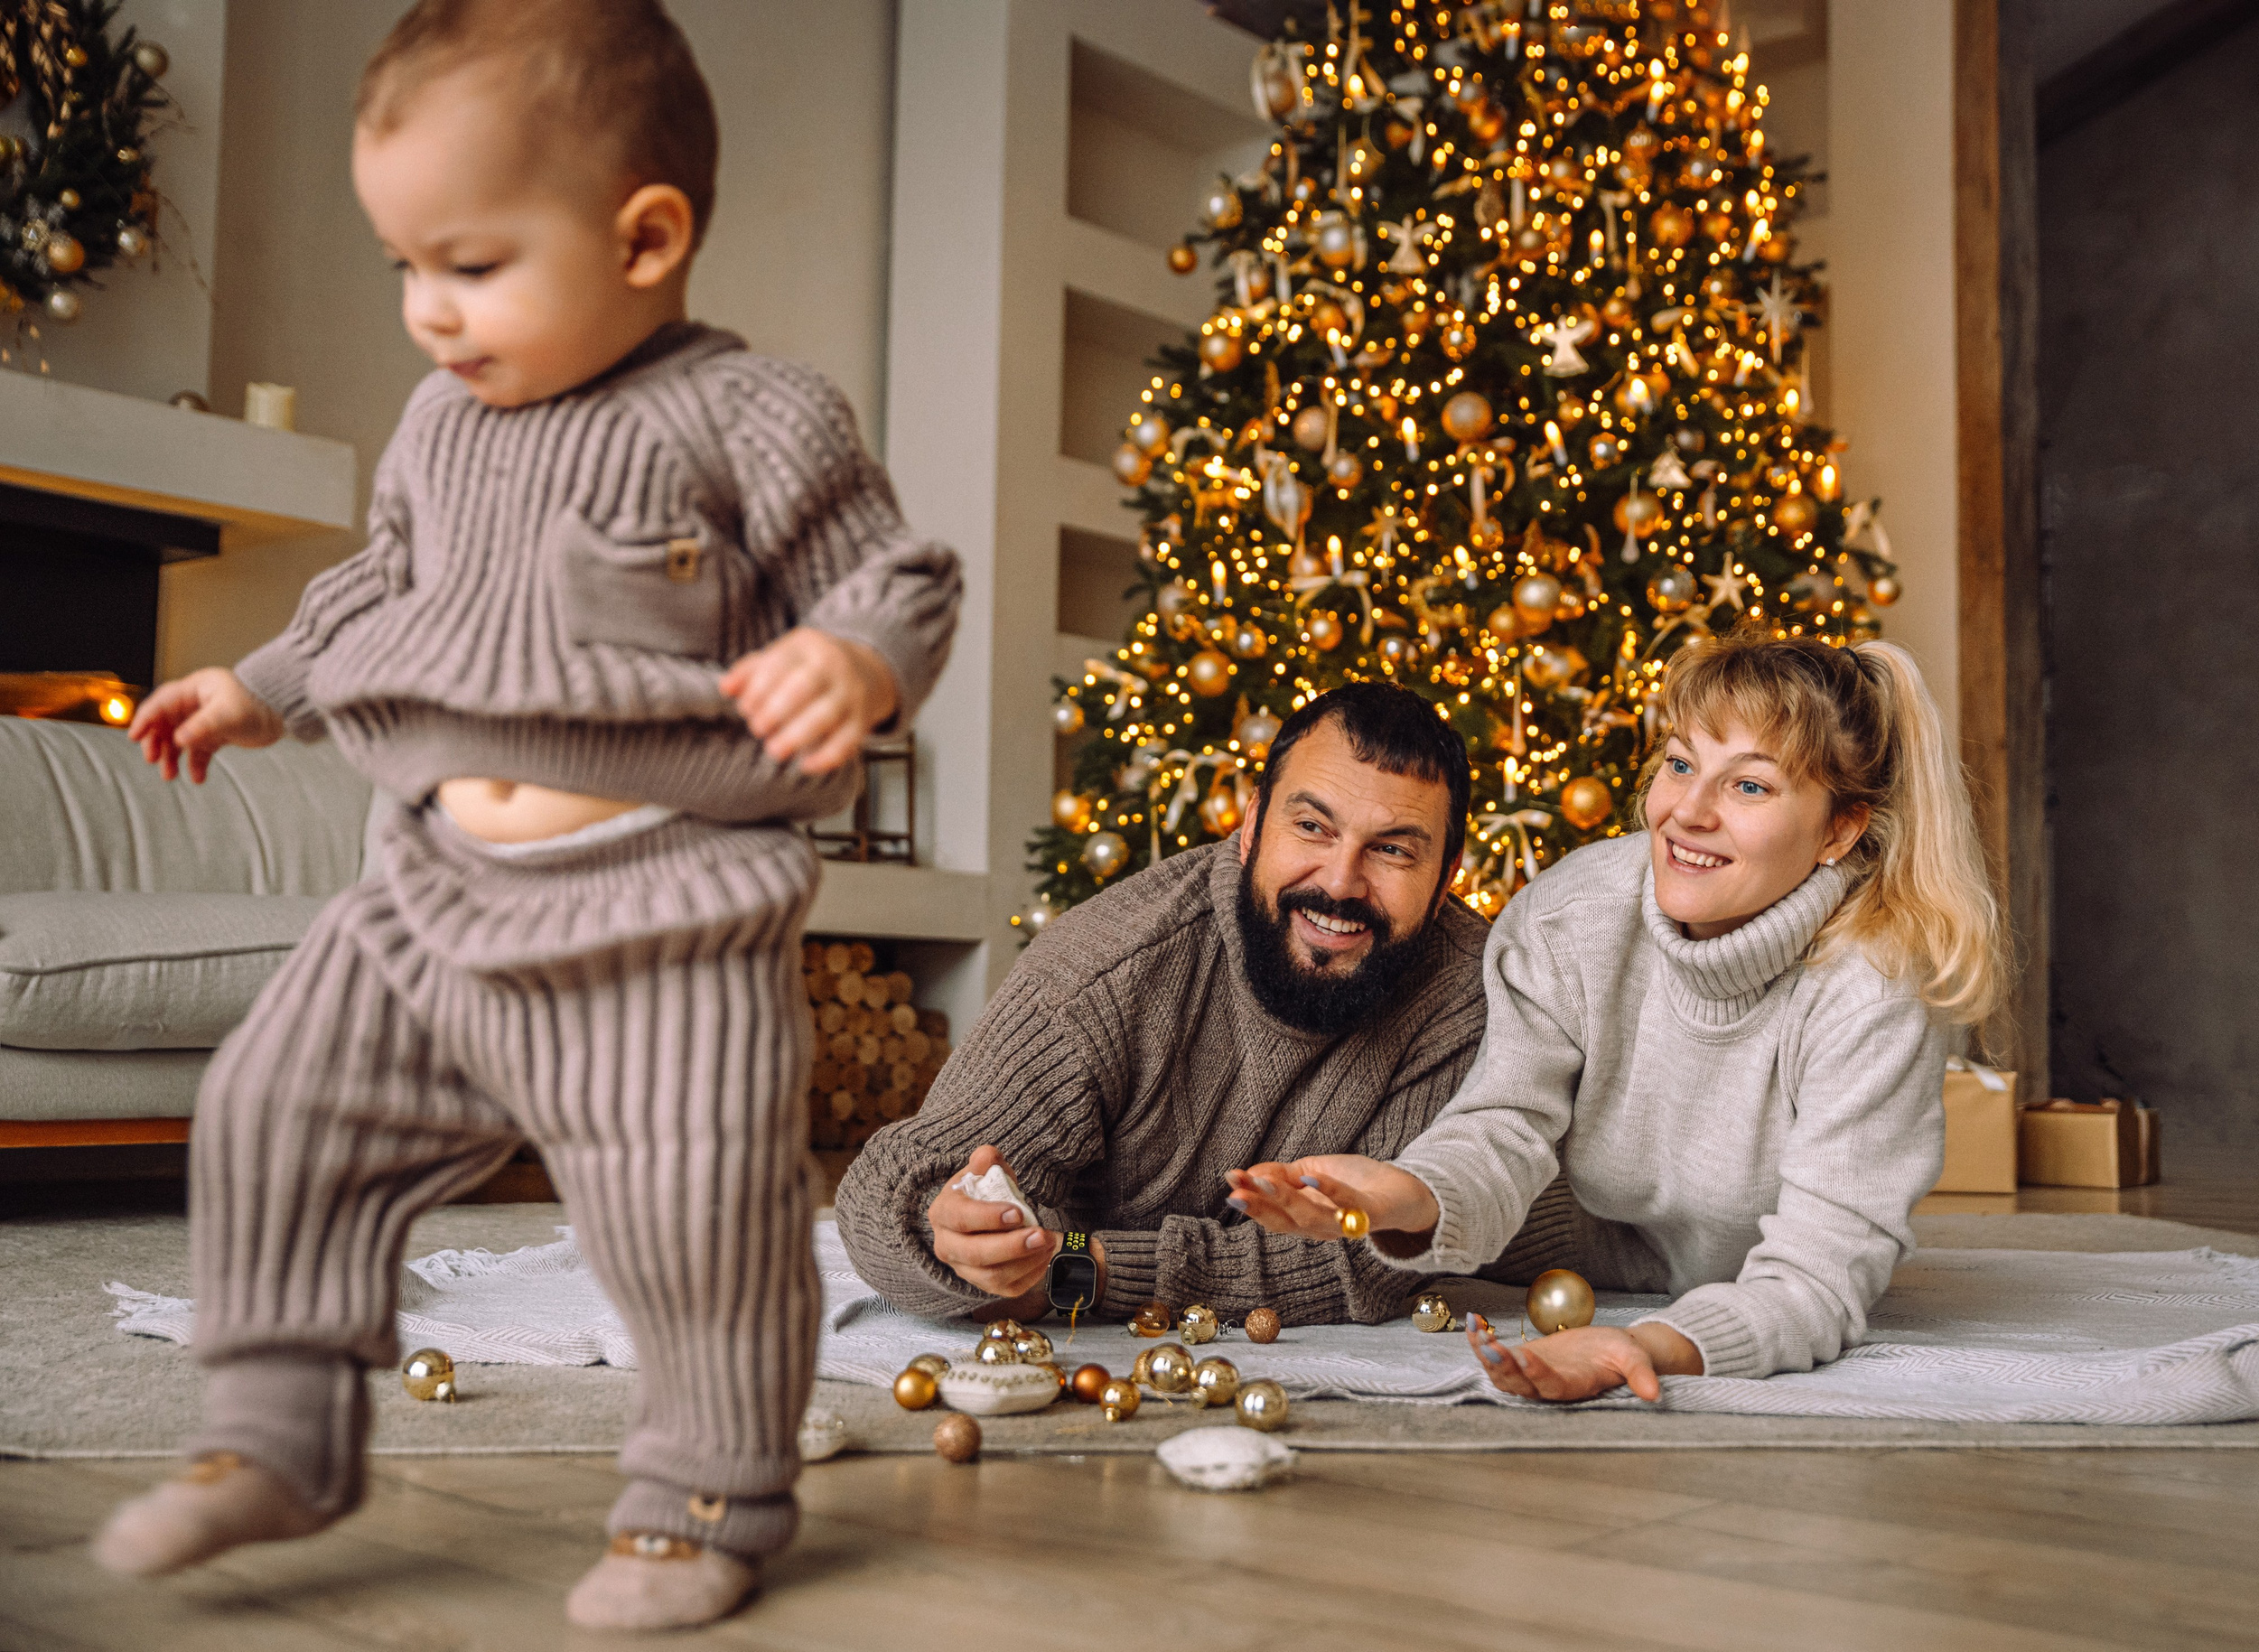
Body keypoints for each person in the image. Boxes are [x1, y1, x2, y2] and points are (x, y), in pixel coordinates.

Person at [92, 0, 959, 1631]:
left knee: (692, 1213)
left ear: (645, 237)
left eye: (471, 263)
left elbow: (887, 573)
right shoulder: (440, 424)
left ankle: (706, 1488)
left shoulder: (750, 416)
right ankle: (275, 1430)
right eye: (402, 264)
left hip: (658, 919)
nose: (428, 310)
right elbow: (380, 588)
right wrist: (262, 683)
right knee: (274, 1107)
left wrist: (854, 656)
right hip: (426, 892)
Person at [1228, 631, 2004, 1402]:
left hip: (1734, 1285)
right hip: (1558, 1255)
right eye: (1680, 764)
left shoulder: (1872, 985)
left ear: (1840, 829)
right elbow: (1504, 1126)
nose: (1687, 813)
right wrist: (1404, 1194)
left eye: (1750, 787)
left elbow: (1816, 1278)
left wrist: (1643, 1346)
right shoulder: (1572, 917)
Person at [837, 681, 1563, 1326]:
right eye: (1311, 827)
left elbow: (1362, 1263)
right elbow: (889, 1187)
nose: (1340, 882)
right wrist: (945, 1231)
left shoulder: (1473, 993)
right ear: (1251, 826)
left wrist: (1077, 1272)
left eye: (1394, 850)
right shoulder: (1112, 963)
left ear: (1445, 880)